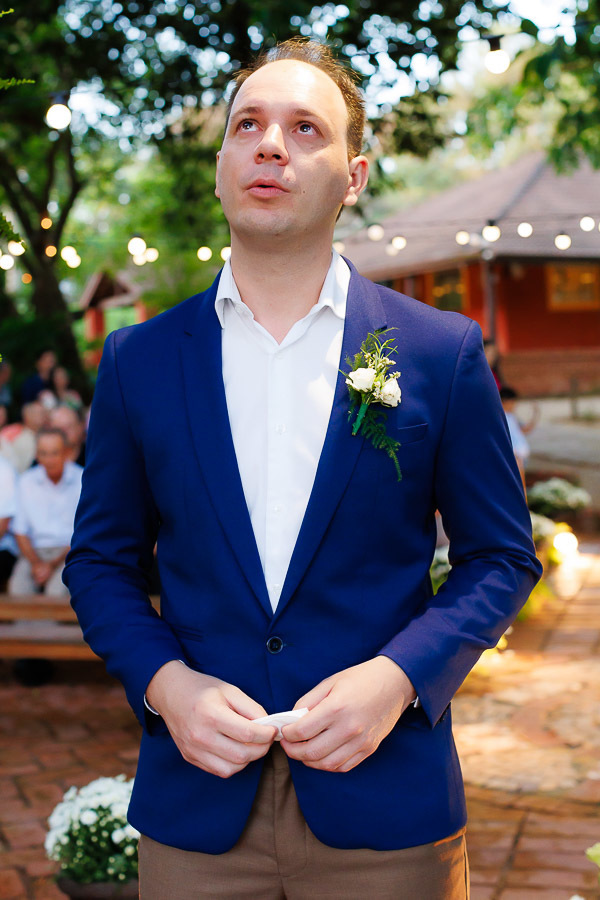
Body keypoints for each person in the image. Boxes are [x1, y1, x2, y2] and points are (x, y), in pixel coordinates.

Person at [64, 38, 541, 899]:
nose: (271, 144)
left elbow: (501, 557)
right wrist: (168, 688)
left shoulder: (439, 351)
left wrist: (397, 681)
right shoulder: (139, 360)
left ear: (353, 176)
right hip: (197, 810)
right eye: (247, 124)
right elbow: (100, 562)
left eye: (304, 128)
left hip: (386, 808)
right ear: (221, 167)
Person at [9, 428, 82, 597]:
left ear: (67, 452)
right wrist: (37, 563)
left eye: (54, 453)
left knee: (58, 592)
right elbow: (20, 531)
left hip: (71, 552)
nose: (49, 460)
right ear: (36, 454)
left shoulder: (82, 480)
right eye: (43, 453)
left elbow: (84, 531)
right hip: (33, 553)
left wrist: (51, 565)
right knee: (18, 590)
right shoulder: (26, 481)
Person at [0, 401, 48, 473]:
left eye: (44, 413)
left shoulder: (49, 436)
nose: (44, 416)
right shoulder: (12, 434)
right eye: (39, 414)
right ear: (27, 416)